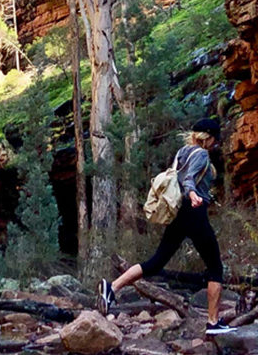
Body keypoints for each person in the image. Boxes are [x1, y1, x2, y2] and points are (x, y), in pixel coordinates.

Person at [99, 117, 232, 335]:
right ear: (209, 137)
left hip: (179, 213)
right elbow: (188, 179)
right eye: (215, 139)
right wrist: (193, 194)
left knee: (157, 261)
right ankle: (213, 323)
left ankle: (112, 288)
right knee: (216, 268)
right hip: (194, 212)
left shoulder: (183, 152)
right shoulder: (201, 154)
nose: (216, 143)